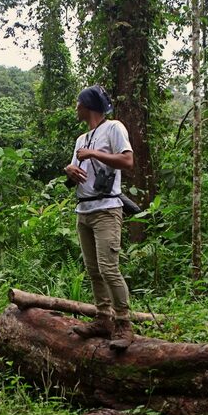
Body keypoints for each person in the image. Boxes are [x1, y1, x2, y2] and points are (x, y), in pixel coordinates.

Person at [64, 85, 134, 349]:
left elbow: (127, 162)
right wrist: (70, 170)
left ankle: (124, 324)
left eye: (78, 103)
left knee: (109, 269)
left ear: (89, 106)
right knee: (93, 270)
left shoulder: (114, 128)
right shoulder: (81, 139)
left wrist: (94, 153)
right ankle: (103, 318)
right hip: (84, 210)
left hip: (106, 209)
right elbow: (76, 174)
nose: (75, 108)